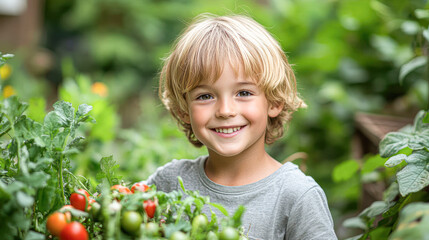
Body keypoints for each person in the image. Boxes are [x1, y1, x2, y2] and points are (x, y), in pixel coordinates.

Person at [145, 13, 337, 240]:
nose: (225, 110)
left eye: (244, 93)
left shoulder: (297, 196)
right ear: (183, 110)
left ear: (274, 101)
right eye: (205, 96)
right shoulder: (168, 183)